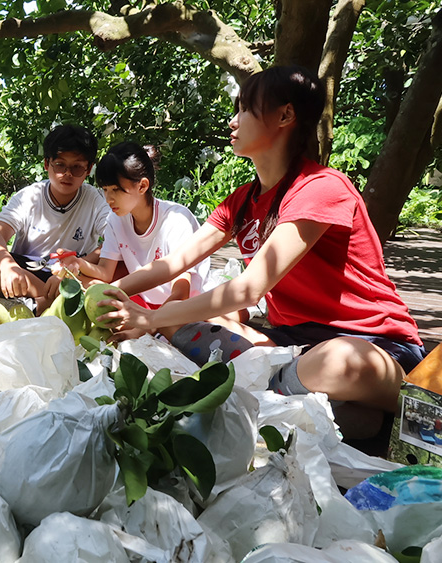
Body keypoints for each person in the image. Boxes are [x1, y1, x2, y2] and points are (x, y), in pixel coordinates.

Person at [98, 65, 425, 437]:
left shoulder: (321, 186)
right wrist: (113, 295)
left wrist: (150, 318)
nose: (233, 120)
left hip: (374, 344)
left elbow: (248, 290)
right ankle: (319, 406)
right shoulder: (242, 201)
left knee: (338, 361)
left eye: (244, 109)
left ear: (285, 115)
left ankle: (284, 398)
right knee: (175, 320)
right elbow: (173, 263)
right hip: (293, 345)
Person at [55, 142, 210, 339]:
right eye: (105, 189)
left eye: (116, 189)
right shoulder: (116, 220)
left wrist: (141, 330)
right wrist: (77, 263)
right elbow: (105, 272)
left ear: (143, 185)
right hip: (141, 302)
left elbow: (181, 293)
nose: (109, 199)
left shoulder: (176, 220)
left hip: (183, 308)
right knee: (87, 289)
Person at [0, 124, 110, 312]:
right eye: (60, 165)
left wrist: (74, 266)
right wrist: (8, 267)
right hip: (26, 273)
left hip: (71, 276)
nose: (67, 174)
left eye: (77, 167)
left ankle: (40, 305)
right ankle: (52, 303)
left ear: (89, 169)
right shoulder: (29, 196)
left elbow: (115, 242)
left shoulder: (96, 200)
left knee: (100, 285)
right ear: (47, 164)